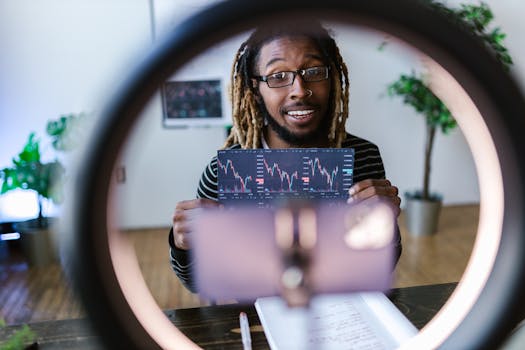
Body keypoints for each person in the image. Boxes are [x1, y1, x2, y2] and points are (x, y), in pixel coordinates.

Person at [168, 20, 402, 292]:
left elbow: (380, 266)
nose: (300, 90)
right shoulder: (222, 172)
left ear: (332, 77)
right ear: (255, 89)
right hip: (254, 317)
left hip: (339, 311)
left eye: (314, 71)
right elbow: (196, 283)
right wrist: (182, 245)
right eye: (278, 76)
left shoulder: (363, 156)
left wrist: (386, 227)